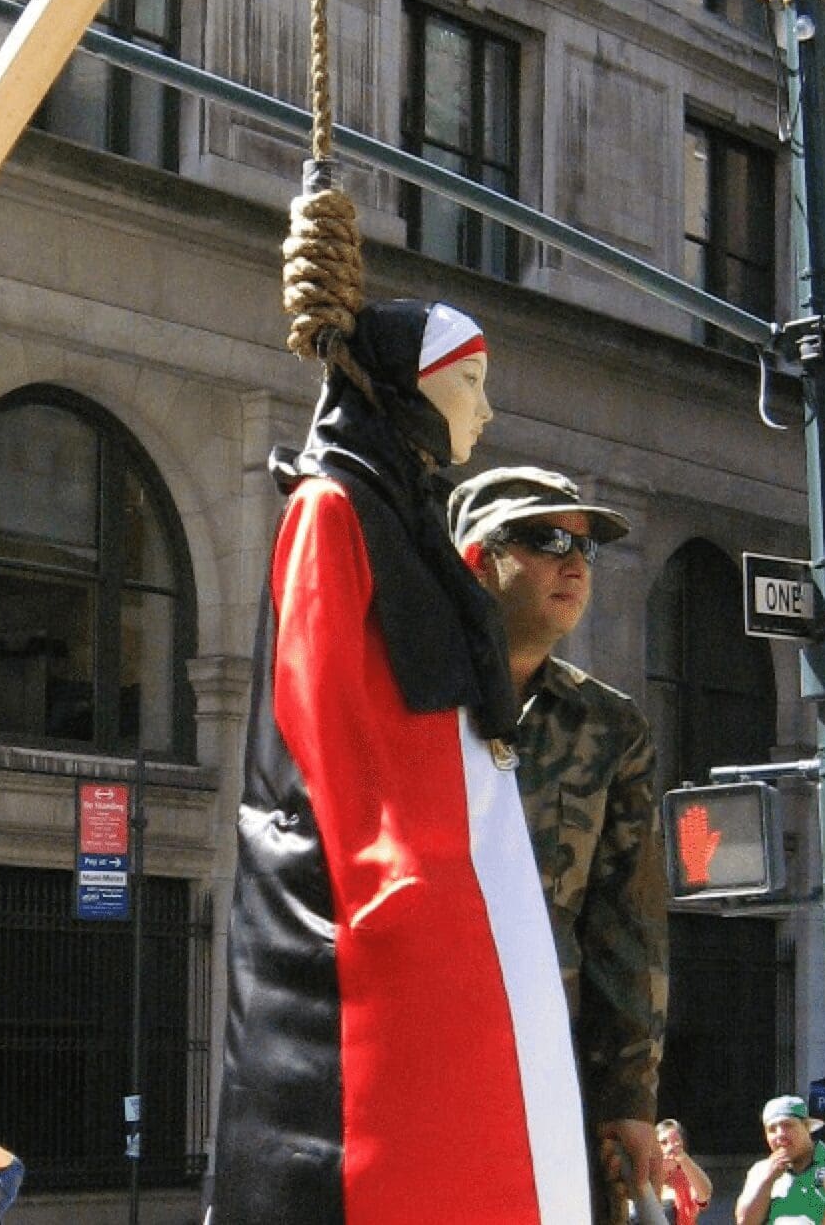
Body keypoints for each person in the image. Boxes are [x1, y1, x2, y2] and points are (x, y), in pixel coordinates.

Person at [211, 299, 591, 1225]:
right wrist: (387, 875)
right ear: (406, 388)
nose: (484, 410)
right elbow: (319, 705)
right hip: (388, 883)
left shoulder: (407, 515)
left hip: (449, 871)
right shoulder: (331, 506)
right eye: (468, 383)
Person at [448, 466, 668, 1213]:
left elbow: (626, 923)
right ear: (478, 558)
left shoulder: (610, 726)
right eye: (546, 541)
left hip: (549, 1073)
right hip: (424, 1054)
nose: (574, 564)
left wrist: (630, 1099)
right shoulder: (405, 697)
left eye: (586, 548)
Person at [734, 1096, 825, 1225]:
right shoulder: (760, 1170)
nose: (780, 1134)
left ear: (806, 1127)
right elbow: (744, 1222)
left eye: (787, 1125)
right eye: (772, 1129)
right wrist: (767, 1180)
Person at [657, 1119, 713, 1225]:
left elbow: (705, 1196)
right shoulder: (644, 1174)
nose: (670, 1148)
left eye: (676, 1143)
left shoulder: (687, 1177)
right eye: (663, 1142)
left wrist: (682, 1157)